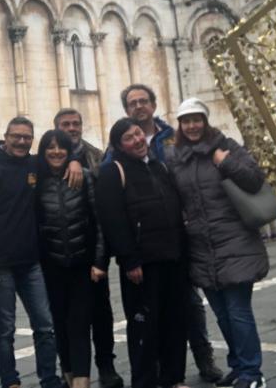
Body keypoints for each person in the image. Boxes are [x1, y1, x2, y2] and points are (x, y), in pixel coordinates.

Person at [0, 117, 83, 388]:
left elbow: (59, 155)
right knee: (5, 329)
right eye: (16, 136)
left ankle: (49, 378)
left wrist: (75, 160)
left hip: (30, 262)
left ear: (32, 140)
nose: (21, 141)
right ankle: (10, 380)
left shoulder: (34, 164)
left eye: (26, 137)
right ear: (5, 137)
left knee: (45, 325)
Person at [121, 84, 224, 384]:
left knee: (189, 302)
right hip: (148, 242)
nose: (138, 106)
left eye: (143, 101)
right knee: (152, 308)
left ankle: (203, 356)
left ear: (154, 105)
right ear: (127, 110)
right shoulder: (121, 143)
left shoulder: (173, 137)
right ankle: (158, 367)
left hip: (181, 233)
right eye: (132, 103)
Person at [168, 98, 269, 388]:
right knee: (222, 314)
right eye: (186, 121)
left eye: (197, 120)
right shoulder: (176, 158)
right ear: (180, 125)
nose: (192, 126)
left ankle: (252, 373)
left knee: (238, 311)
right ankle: (238, 366)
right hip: (201, 246)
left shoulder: (226, 146)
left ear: (205, 121)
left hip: (235, 241)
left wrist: (226, 163)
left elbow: (254, 179)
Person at [96, 117, 189, 388]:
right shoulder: (113, 171)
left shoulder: (159, 166)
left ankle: (173, 377)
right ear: (119, 146)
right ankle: (145, 381)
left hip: (172, 256)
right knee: (144, 326)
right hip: (142, 263)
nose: (137, 140)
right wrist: (129, 260)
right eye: (129, 138)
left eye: (138, 134)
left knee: (174, 320)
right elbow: (112, 220)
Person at [54, 108, 125, 388]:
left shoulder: (96, 155)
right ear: (57, 128)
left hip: (92, 248)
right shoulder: (49, 156)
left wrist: (102, 255)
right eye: (66, 124)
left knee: (101, 312)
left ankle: (106, 365)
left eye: (76, 123)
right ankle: (69, 369)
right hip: (60, 253)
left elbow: (104, 204)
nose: (72, 128)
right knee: (64, 316)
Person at [36, 128, 107, 388]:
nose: (56, 152)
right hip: (50, 266)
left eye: (61, 147)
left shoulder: (84, 176)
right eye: (50, 147)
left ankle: (81, 380)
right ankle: (69, 374)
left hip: (81, 264)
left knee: (79, 324)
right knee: (59, 324)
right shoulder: (35, 181)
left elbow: (99, 221)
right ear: (43, 151)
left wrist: (99, 261)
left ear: (69, 151)